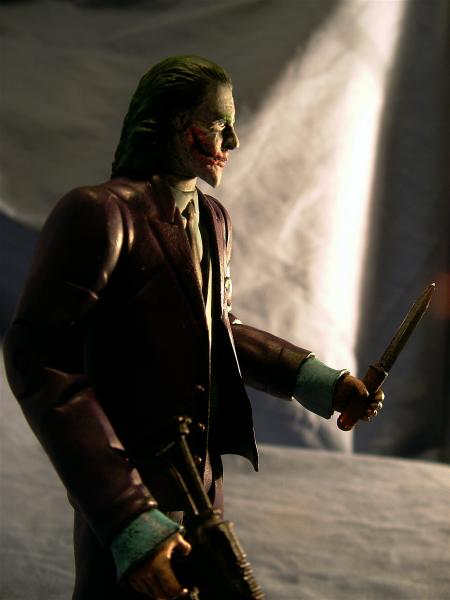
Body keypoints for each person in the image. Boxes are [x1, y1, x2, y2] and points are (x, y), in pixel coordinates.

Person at [4, 56, 383, 600]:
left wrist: (322, 382)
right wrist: (127, 519)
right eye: (219, 122)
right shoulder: (100, 213)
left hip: (201, 489)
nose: (233, 140)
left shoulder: (212, 218)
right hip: (128, 490)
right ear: (173, 122)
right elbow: (40, 364)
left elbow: (216, 330)